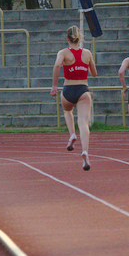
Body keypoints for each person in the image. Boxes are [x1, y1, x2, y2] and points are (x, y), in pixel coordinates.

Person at [50, 25, 98, 171]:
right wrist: (83, 67)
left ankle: (72, 134)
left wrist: (54, 86)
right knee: (83, 123)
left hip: (68, 89)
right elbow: (94, 73)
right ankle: (85, 152)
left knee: (67, 110)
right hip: (83, 90)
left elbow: (57, 66)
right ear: (80, 38)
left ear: (67, 38)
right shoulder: (87, 53)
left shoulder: (63, 53)